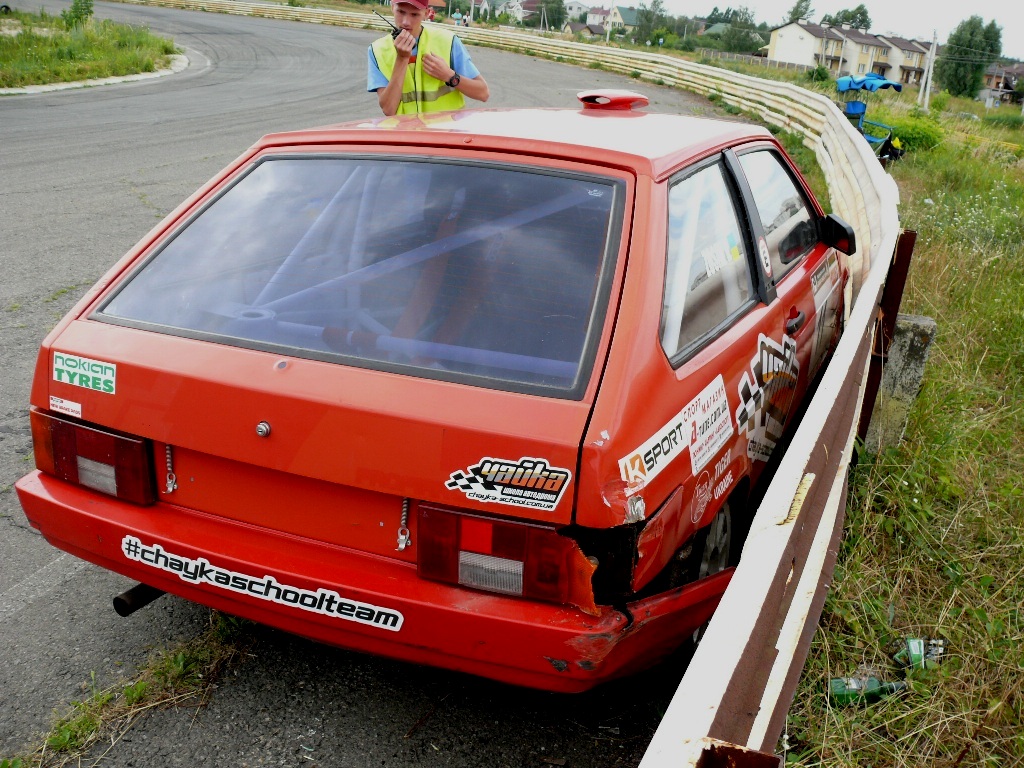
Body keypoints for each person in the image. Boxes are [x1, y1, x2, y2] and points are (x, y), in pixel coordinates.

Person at [367, 0, 489, 116]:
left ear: (426, 13)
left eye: (414, 14)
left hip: (445, 130)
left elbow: (483, 93)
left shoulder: (448, 41)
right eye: (401, 12)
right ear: (392, 7)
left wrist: (449, 76)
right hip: (405, 131)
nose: (406, 22)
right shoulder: (377, 50)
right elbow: (388, 109)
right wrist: (402, 59)